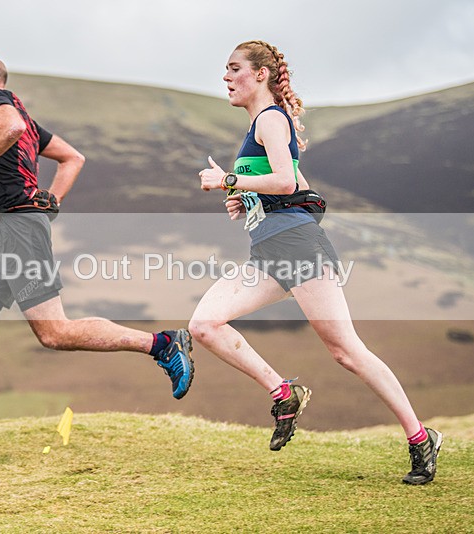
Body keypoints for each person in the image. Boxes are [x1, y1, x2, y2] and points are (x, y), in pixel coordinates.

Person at [0, 54, 194, 464]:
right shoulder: (29, 121)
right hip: (4, 233)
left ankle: (161, 344)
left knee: (54, 333)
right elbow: (73, 158)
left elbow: (10, 128)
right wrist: (53, 200)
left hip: (18, 229)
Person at [189, 41, 442, 485]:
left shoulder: (269, 119)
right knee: (205, 324)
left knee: (346, 352)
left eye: (234, 69)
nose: (226, 78)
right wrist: (247, 197)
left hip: (299, 249)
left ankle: (421, 438)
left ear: (260, 75)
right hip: (270, 251)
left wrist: (229, 179)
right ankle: (285, 393)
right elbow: (305, 194)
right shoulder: (260, 125)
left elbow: (286, 180)